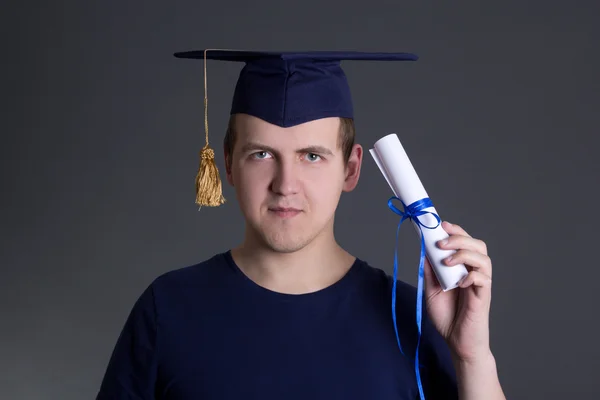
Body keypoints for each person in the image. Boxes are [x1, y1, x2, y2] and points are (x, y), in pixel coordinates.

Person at [96, 50, 505, 399]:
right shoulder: (168, 309)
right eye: (261, 154)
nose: (285, 185)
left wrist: (472, 356)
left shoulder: (415, 317)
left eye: (312, 156)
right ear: (228, 163)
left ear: (351, 168)